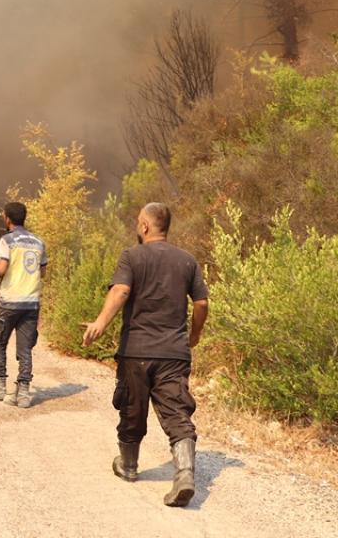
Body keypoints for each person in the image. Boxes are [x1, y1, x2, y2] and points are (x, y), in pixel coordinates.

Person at [81, 202, 209, 508]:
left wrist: (100, 323)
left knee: (132, 409)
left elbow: (121, 291)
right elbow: (202, 303)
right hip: (174, 353)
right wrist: (194, 335)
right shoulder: (187, 260)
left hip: (136, 351)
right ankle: (185, 475)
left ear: (145, 226)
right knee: (177, 413)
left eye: (138, 221)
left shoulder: (132, 256)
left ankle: (128, 466)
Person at [0, 201, 47, 408]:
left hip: (10, 302)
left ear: (8, 219)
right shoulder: (39, 242)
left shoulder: (7, 240)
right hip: (31, 303)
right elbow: (42, 272)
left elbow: (2, 270)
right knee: (25, 348)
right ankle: (23, 395)